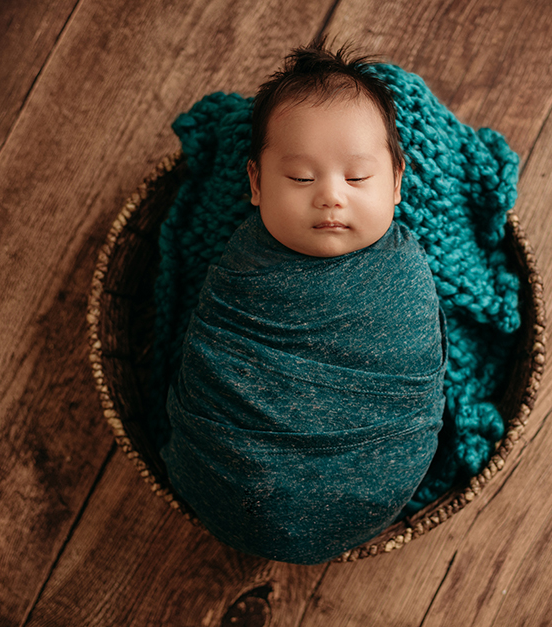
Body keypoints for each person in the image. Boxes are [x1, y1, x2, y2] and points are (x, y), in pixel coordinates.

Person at [161, 39, 446, 564]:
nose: (331, 195)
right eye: (300, 178)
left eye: (358, 177)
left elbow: (420, 370)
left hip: (373, 483)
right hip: (224, 472)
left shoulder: (405, 269)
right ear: (255, 183)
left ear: (398, 182)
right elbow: (211, 347)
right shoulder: (240, 262)